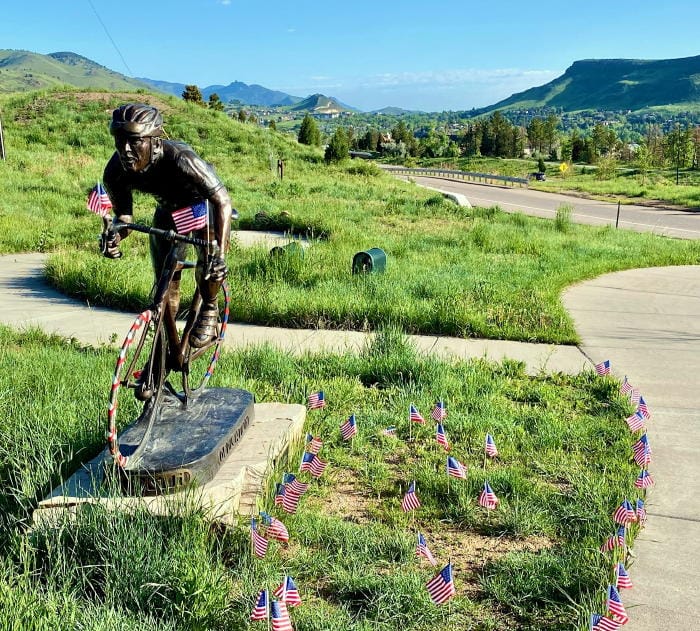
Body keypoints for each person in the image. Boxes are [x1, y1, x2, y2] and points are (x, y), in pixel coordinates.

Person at [101, 103, 235, 348]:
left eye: (134, 141)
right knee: (164, 284)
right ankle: (166, 343)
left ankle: (210, 306)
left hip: (202, 207)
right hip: (168, 211)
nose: (125, 150)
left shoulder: (182, 159)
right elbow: (125, 219)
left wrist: (220, 255)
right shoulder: (115, 172)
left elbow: (223, 201)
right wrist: (116, 236)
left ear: (155, 140)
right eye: (119, 141)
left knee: (209, 261)